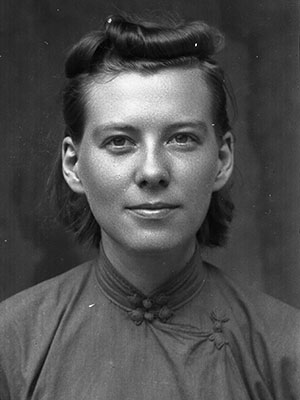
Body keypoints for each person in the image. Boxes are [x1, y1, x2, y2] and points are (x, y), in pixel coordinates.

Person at [0, 14, 299, 400]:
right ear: (74, 165)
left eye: (182, 139)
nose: (153, 171)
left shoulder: (286, 349)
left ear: (222, 159)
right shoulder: (12, 342)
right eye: (120, 142)